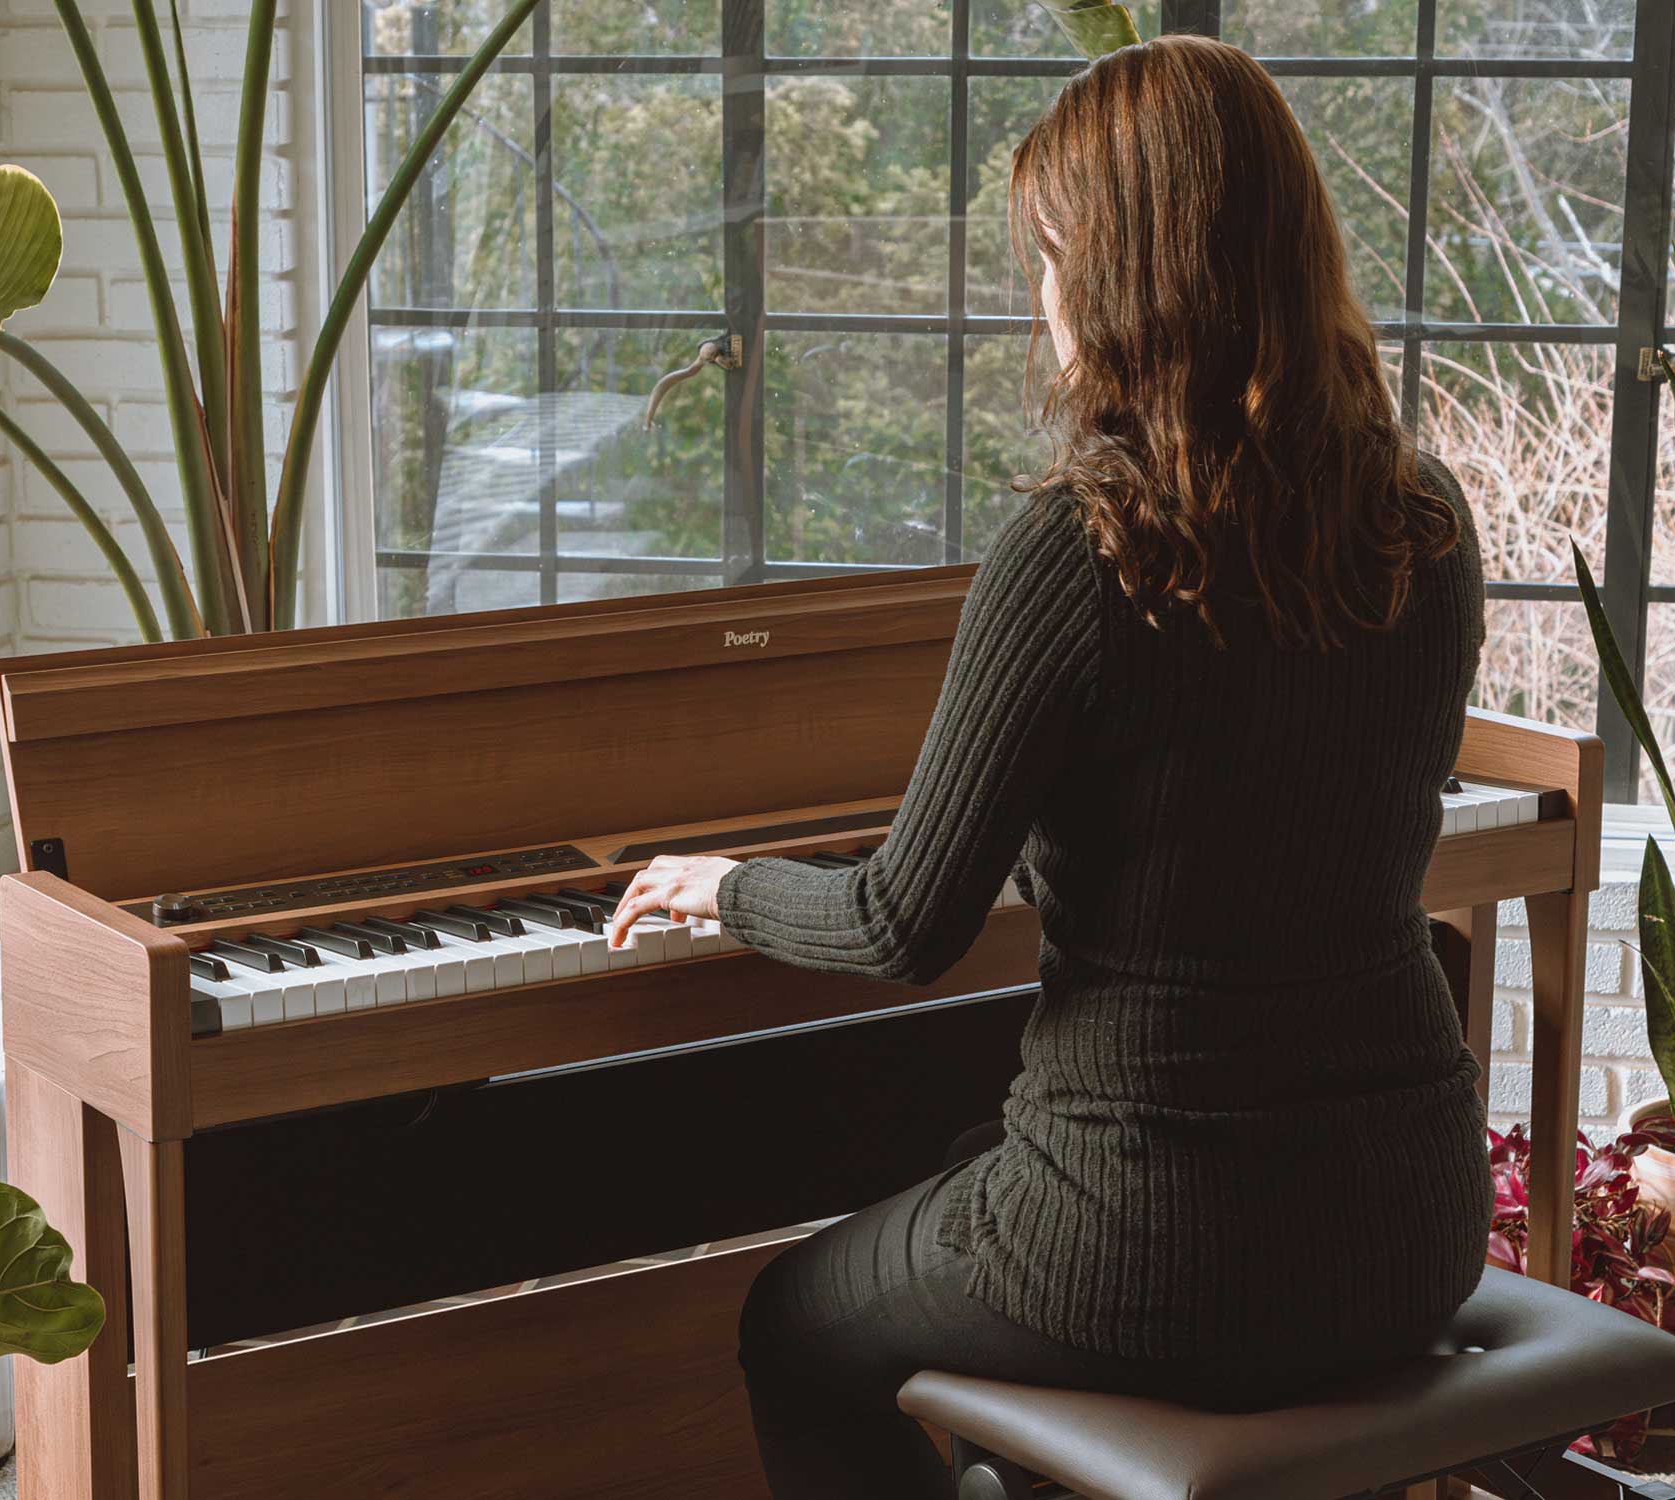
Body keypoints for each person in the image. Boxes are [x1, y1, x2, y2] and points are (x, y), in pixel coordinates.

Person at [604, 34, 1491, 1500]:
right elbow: (1277, 802)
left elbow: (902, 924)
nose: (1045, 293)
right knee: (976, 1153)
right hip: (1409, 1223)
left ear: (1139, 269)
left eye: (1055, 252)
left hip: (1170, 1251)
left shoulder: (1082, 546)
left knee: (789, 1323)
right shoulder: (1424, 519)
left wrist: (725, 887)